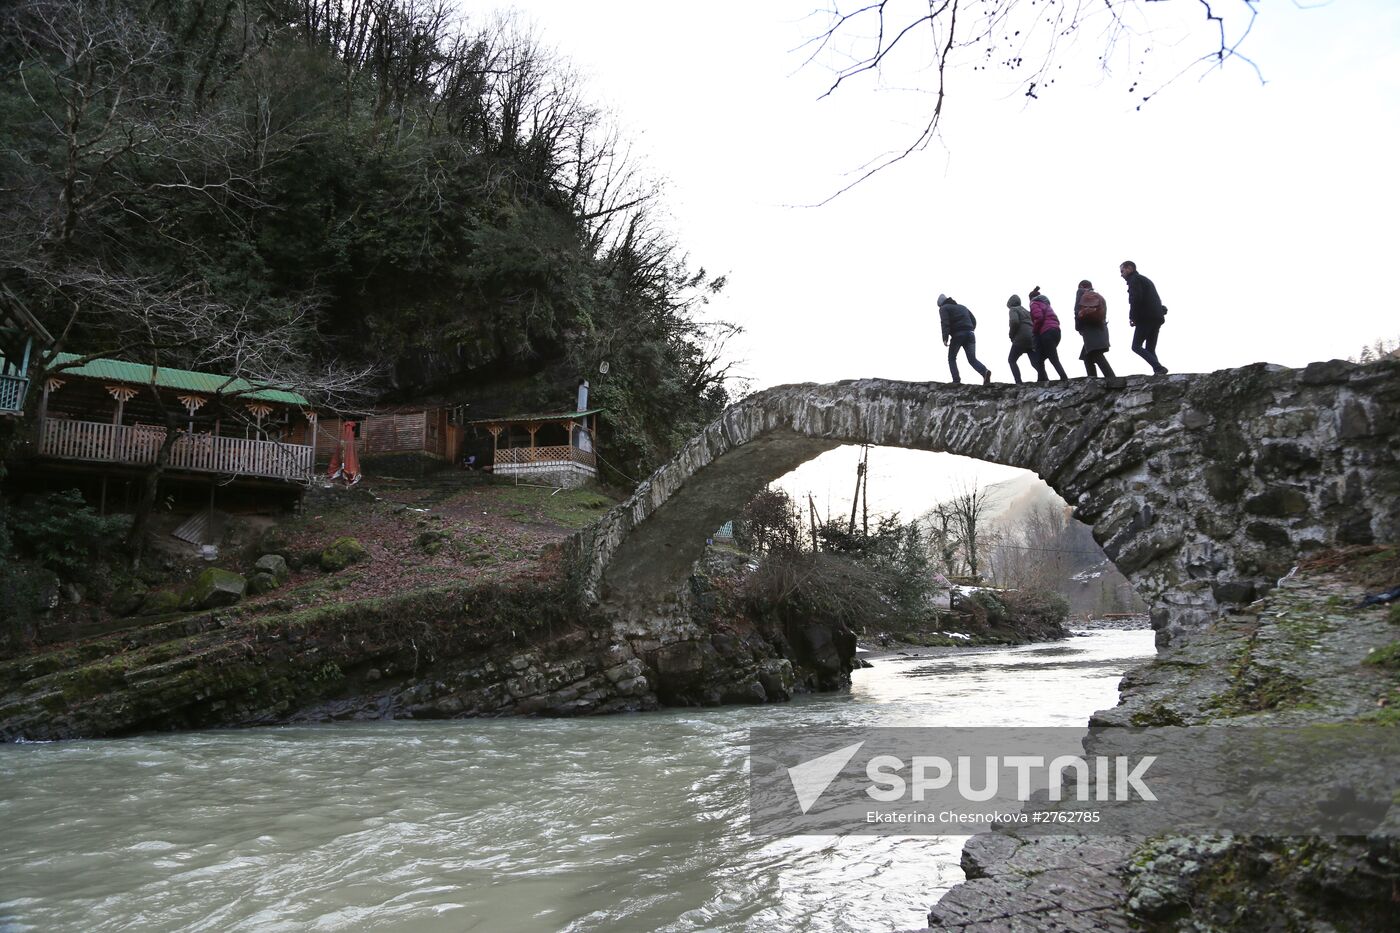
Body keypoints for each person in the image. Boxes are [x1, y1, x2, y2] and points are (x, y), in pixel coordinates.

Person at [1120, 260, 1168, 375]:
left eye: (1122, 271)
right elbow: (1154, 298)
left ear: (1129, 268)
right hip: (1156, 317)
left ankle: (1158, 367)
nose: (1121, 274)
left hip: (1146, 317)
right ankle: (1159, 370)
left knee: (1136, 346)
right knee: (1150, 349)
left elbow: (1135, 299)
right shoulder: (1145, 279)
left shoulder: (1134, 280)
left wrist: (1133, 317)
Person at [938, 294, 991, 385]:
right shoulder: (962, 307)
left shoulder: (944, 308)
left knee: (951, 358)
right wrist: (969, 328)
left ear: (940, 304)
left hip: (958, 335)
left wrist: (945, 337)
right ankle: (984, 371)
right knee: (972, 359)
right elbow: (974, 320)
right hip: (970, 334)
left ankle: (956, 380)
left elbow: (945, 322)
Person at [1073, 279, 1115, 379]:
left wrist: (1078, 327)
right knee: (1086, 356)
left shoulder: (1081, 292)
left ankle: (1112, 379)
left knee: (1096, 354)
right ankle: (1093, 380)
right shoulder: (1099, 297)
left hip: (1090, 329)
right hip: (1101, 328)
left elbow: (1077, 311)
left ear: (1082, 286)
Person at [1027, 287, 1069, 382]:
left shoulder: (1034, 303)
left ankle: (1064, 379)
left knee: (1052, 357)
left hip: (1046, 332)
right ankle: (1041, 380)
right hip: (1055, 331)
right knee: (1040, 358)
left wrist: (1034, 331)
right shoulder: (1046, 304)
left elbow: (1039, 318)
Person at [1005, 295, 1037, 384]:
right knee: (1034, 361)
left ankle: (1018, 382)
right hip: (1032, 337)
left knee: (1011, 360)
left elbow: (1014, 322)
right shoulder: (1027, 311)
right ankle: (1044, 377)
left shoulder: (1013, 309)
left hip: (1021, 338)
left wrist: (1011, 335)